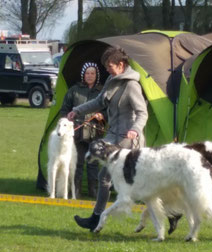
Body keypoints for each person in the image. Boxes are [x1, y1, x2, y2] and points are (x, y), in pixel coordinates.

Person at [67, 46, 148, 231]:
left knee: (132, 180)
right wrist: (77, 110)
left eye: (110, 66)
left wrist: (135, 130)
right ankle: (96, 218)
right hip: (113, 136)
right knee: (114, 178)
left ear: (121, 65)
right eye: (106, 67)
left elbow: (142, 113)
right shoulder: (112, 80)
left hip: (128, 140)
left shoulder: (132, 85)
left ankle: (96, 218)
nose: (107, 70)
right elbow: (98, 102)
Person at [60, 62, 105, 198]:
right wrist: (68, 120)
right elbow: (64, 110)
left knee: (93, 162)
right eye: (87, 73)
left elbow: (109, 111)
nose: (90, 76)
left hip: (95, 132)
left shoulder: (102, 91)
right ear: (83, 75)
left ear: (96, 75)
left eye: (92, 73)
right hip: (76, 133)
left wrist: (102, 116)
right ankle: (76, 191)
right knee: (77, 162)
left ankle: (93, 191)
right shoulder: (74, 90)